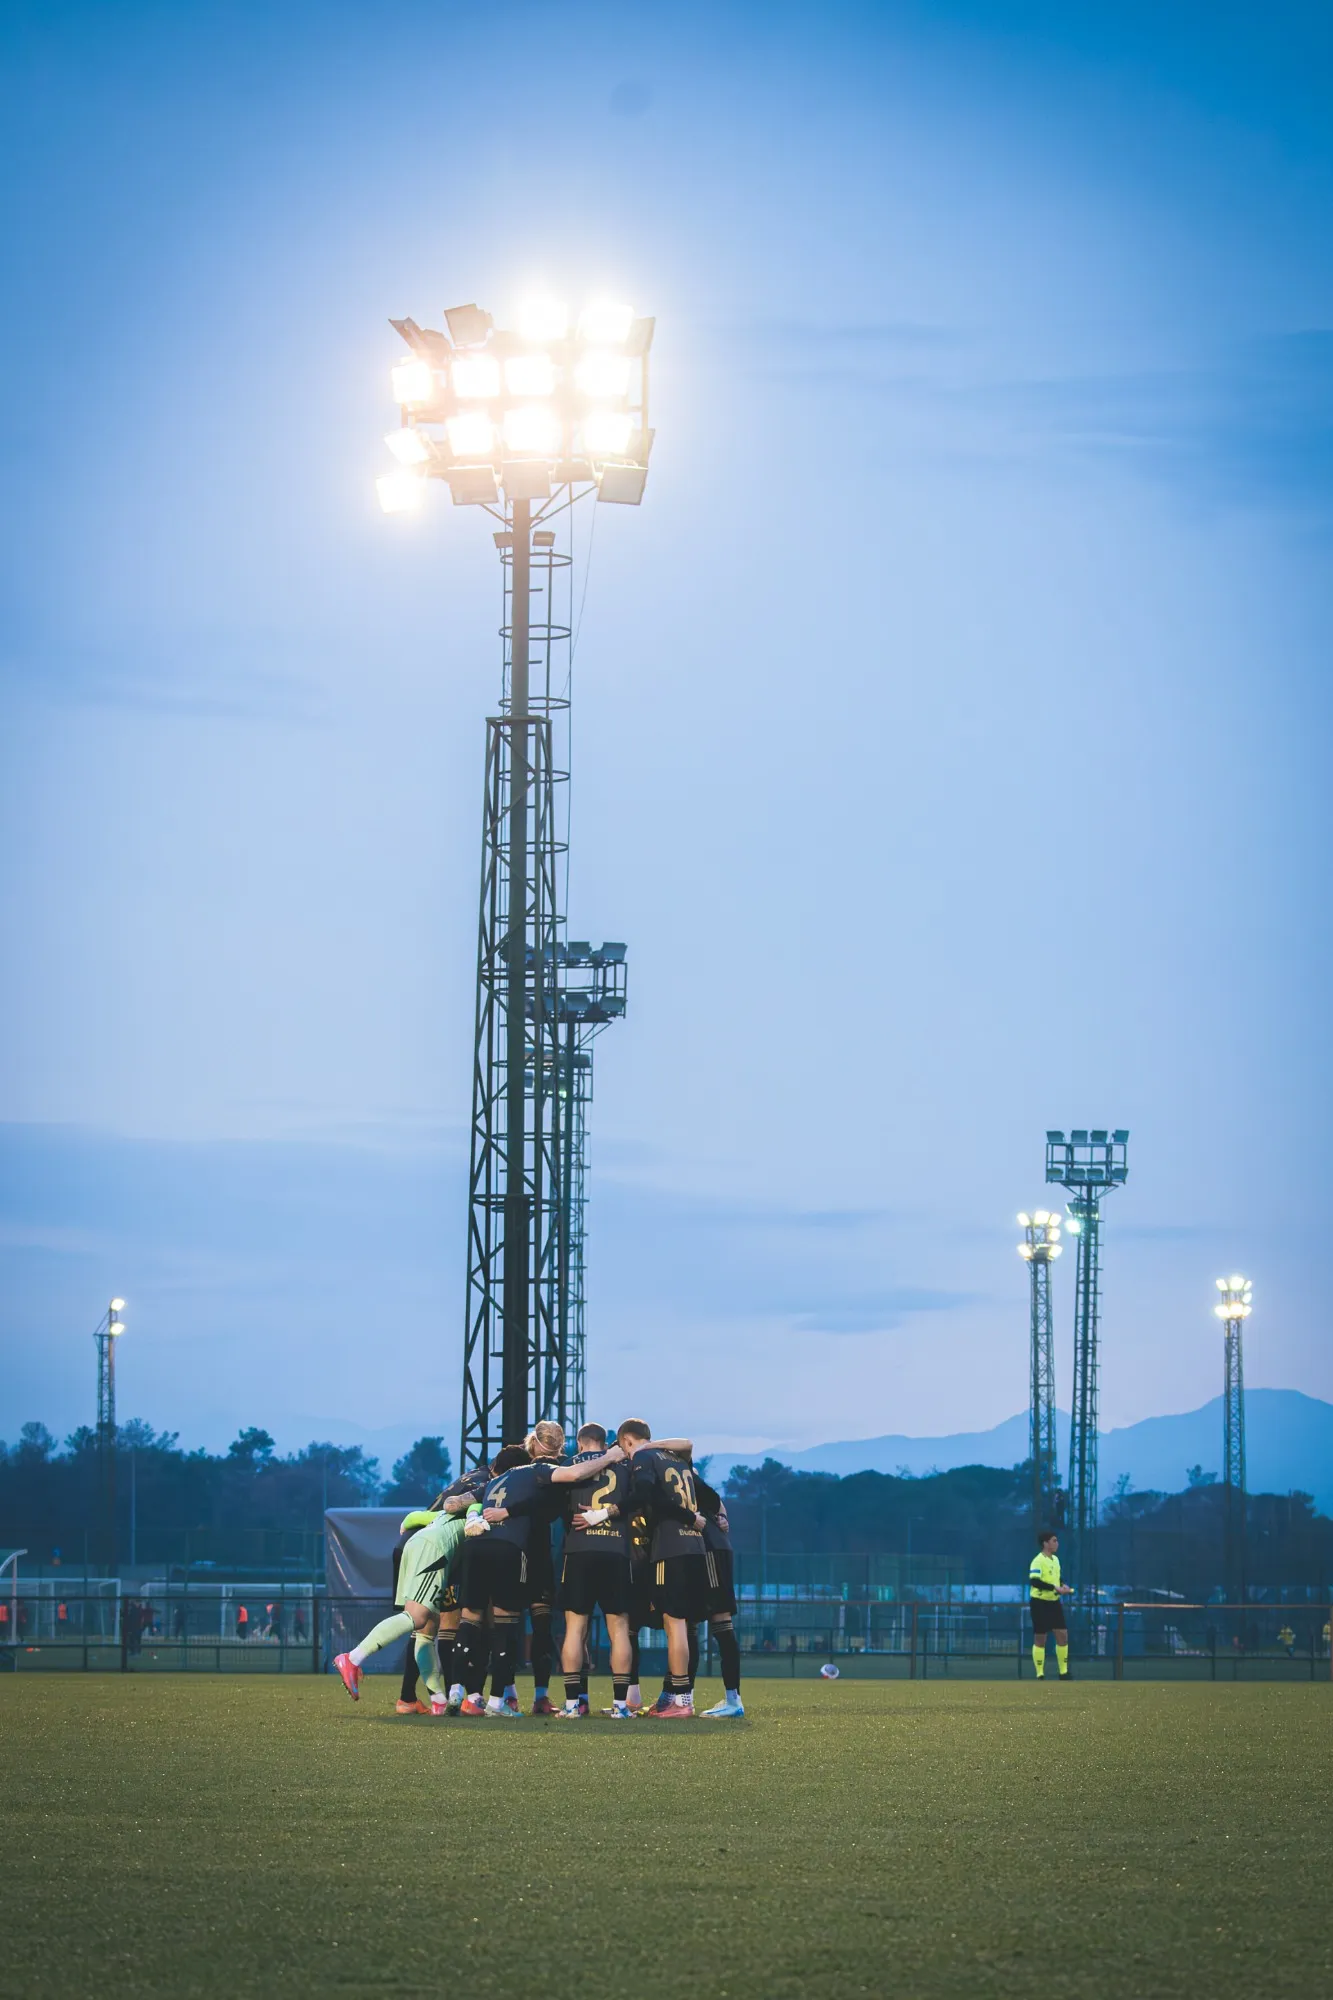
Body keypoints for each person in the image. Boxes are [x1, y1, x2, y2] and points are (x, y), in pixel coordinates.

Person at [456, 1438, 623, 1716]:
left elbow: (550, 1504)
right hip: (516, 1555)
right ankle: (500, 1694)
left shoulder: (542, 1478)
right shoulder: (525, 1477)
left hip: (535, 1559)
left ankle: (533, 1696)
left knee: (534, 1629)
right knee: (505, 1626)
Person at [335, 1505, 468, 1715]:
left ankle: (438, 1701)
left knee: (426, 1628)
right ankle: (352, 1658)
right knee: (417, 1617)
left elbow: (411, 1518)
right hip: (434, 1550)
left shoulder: (444, 1514)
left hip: (412, 1545)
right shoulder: (479, 1508)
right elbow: (476, 1510)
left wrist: (405, 1526)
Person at [620, 1419, 710, 1717]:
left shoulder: (644, 1458)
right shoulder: (677, 1459)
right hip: (696, 1546)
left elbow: (648, 1494)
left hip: (670, 1548)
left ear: (627, 1441)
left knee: (675, 1624)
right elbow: (690, 1448)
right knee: (687, 1624)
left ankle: (680, 1701)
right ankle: (678, 1695)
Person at [556, 1422, 635, 1719]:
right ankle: (621, 1706)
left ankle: (572, 1705)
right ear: (604, 1442)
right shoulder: (624, 1467)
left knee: (575, 1629)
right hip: (616, 1551)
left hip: (579, 1551)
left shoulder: (569, 1465)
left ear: (580, 1443)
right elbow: (635, 1503)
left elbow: (561, 1510)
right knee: (619, 1629)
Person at [695, 1473, 745, 1718]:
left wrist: (722, 1517)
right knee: (690, 1622)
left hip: (710, 1549)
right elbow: (716, 1501)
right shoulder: (681, 1470)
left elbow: (715, 1500)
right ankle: (683, 1697)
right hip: (708, 1547)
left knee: (720, 1622)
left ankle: (733, 1699)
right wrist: (723, 1517)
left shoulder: (678, 1470)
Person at [1028, 1530, 1073, 1680]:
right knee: (1040, 1638)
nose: (1057, 1543)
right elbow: (1034, 1581)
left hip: (1054, 1602)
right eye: (1054, 1540)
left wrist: (1062, 1585)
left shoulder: (1056, 1560)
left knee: (1062, 1635)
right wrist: (1054, 1588)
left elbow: (1057, 1578)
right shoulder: (1038, 1561)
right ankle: (1040, 1673)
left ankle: (1063, 1672)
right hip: (1039, 1603)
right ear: (1045, 1543)